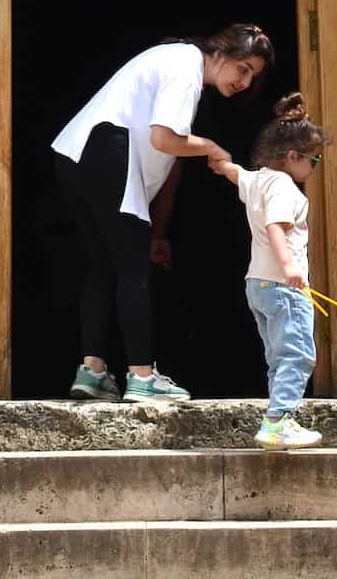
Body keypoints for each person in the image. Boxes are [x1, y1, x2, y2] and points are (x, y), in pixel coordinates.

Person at [52, 22, 275, 403]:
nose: (244, 82)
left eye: (252, 76)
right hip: (107, 147)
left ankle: (92, 372)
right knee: (131, 265)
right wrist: (212, 148)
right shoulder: (187, 68)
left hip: (74, 154)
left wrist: (158, 232)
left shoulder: (174, 62)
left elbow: (169, 160)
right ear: (220, 53)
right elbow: (164, 139)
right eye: (243, 68)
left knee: (102, 265)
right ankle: (142, 376)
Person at [210, 91, 326, 448]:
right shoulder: (284, 188)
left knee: (278, 354)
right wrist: (291, 267)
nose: (315, 167)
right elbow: (277, 226)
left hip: (257, 286)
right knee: (298, 353)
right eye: (315, 160)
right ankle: (278, 421)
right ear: (293, 156)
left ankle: (279, 414)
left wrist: (220, 162)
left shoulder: (258, 179)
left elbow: (235, 175)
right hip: (282, 286)